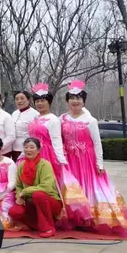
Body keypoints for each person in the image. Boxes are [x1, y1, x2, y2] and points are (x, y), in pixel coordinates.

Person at [60, 81, 127, 234]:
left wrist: (100, 163)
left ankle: (90, 217)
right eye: (72, 98)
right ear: (67, 101)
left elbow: (97, 143)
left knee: (90, 187)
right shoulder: (62, 119)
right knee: (73, 188)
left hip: (87, 161)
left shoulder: (90, 121)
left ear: (83, 101)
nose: (75, 101)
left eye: (78, 98)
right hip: (70, 161)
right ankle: (75, 217)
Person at [28, 83, 91, 228]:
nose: (40, 104)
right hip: (33, 155)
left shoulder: (53, 120)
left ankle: (56, 215)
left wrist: (60, 160)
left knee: (52, 185)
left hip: (47, 155)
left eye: (43, 101)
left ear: (49, 102)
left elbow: (56, 140)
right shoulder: (35, 118)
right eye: (37, 101)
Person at [8, 138, 64, 238]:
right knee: (14, 212)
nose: (28, 150)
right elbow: (18, 185)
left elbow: (46, 187)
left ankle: (48, 228)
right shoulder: (21, 165)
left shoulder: (45, 164)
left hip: (49, 200)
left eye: (31, 147)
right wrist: (18, 197)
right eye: (26, 147)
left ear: (38, 150)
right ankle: (36, 225)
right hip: (29, 200)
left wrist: (25, 191)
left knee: (38, 195)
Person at [11, 90, 38, 160]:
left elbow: (36, 134)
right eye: (17, 99)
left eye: (22, 98)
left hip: (28, 149)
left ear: (28, 100)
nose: (19, 101)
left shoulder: (35, 114)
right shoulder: (14, 113)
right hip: (13, 148)